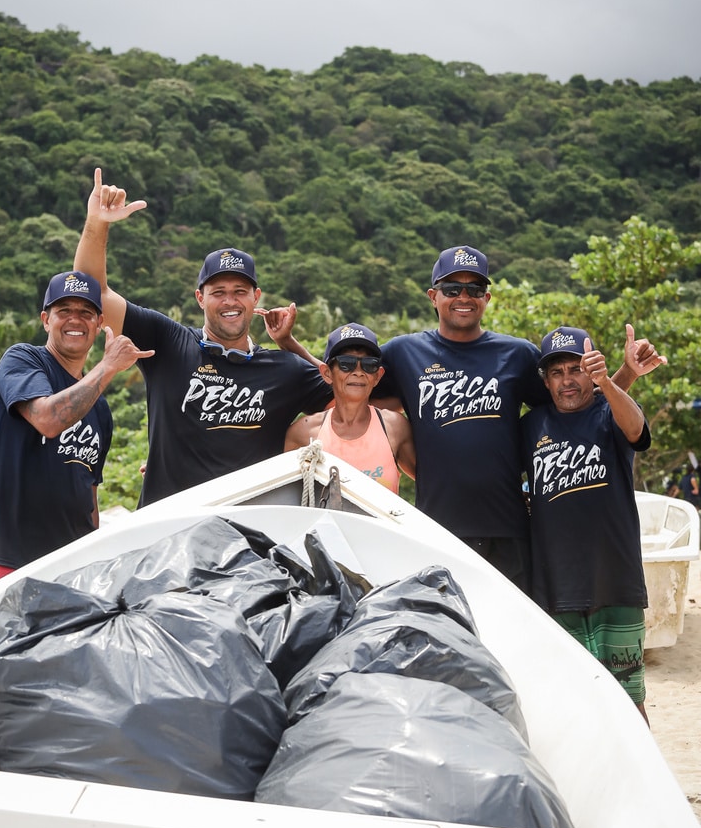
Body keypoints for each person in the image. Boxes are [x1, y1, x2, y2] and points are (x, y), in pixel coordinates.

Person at [371, 245, 666, 593]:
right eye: (452, 289)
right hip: (438, 528)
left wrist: (625, 374)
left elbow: (577, 410)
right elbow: (343, 385)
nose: (463, 297)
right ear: (433, 296)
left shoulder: (517, 354)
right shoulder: (403, 352)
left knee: (512, 640)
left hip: (510, 530)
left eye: (475, 289)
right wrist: (290, 343)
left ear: (488, 298)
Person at [73, 169, 332, 505]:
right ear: (200, 298)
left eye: (240, 291)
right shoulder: (168, 343)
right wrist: (98, 222)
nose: (229, 301)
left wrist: (289, 344)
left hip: (249, 539)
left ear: (256, 298)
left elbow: (351, 395)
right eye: (218, 291)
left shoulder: (286, 369)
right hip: (168, 533)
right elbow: (91, 293)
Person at [0, 270, 153, 585]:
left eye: (85, 312)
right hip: (15, 563)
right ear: (46, 319)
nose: (74, 319)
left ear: (99, 324)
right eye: (63, 311)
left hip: (76, 570)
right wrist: (108, 366)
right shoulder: (22, 360)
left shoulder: (101, 410)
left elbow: (89, 496)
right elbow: (48, 419)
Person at [521, 326, 651, 723]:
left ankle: (645, 784)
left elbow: (637, 431)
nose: (567, 380)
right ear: (545, 381)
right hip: (556, 589)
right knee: (573, 702)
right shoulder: (530, 427)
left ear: (590, 371)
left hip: (617, 583)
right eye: (556, 372)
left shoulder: (610, 410)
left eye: (575, 369)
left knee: (629, 698)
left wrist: (607, 383)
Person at [284, 323, 415, 493]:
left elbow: (430, 481)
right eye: (346, 363)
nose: (358, 372)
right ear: (327, 373)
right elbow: (286, 495)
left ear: (377, 376)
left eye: (369, 364)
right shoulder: (303, 432)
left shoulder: (394, 428)